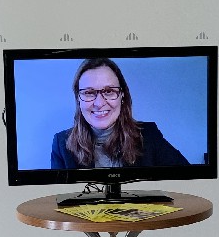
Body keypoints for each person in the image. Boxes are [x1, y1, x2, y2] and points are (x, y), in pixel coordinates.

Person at [50, 57, 189, 169]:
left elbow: (187, 178)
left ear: (122, 95)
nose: (99, 103)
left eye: (109, 91)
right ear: (78, 99)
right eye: (89, 92)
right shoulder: (62, 144)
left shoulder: (148, 135)